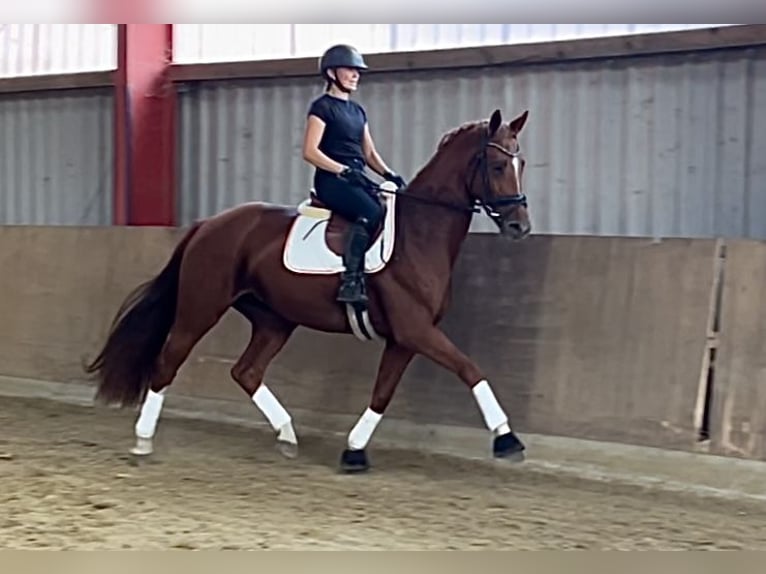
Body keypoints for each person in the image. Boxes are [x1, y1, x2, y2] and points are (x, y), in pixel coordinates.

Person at [302, 43, 407, 307]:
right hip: (332, 181)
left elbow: (369, 153)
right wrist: (343, 170)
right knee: (371, 213)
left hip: (356, 178)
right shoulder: (322, 107)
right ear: (331, 73)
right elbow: (310, 151)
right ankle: (351, 281)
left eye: (357, 71)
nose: (356, 75)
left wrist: (390, 174)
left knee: (393, 209)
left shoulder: (358, 111)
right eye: (350, 69)